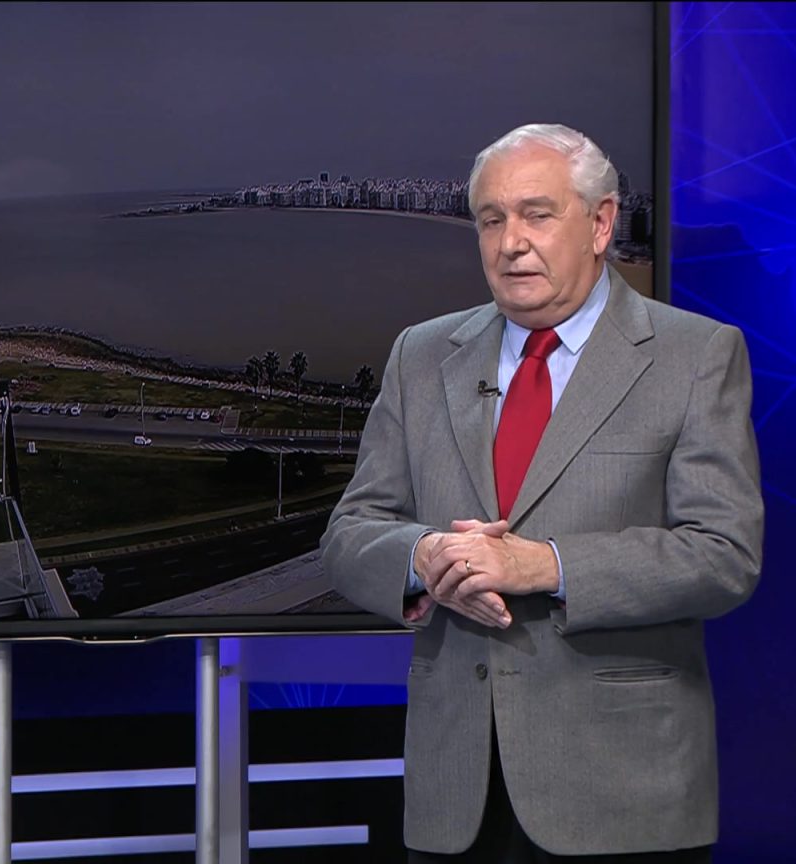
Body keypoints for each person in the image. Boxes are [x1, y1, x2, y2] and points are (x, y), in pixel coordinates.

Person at [320, 123, 764, 863]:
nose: (510, 243)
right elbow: (349, 533)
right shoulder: (420, 355)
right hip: (455, 797)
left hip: (622, 796)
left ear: (601, 223)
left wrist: (546, 566)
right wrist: (425, 557)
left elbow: (723, 556)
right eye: (491, 219)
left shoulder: (695, 355)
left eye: (537, 214)